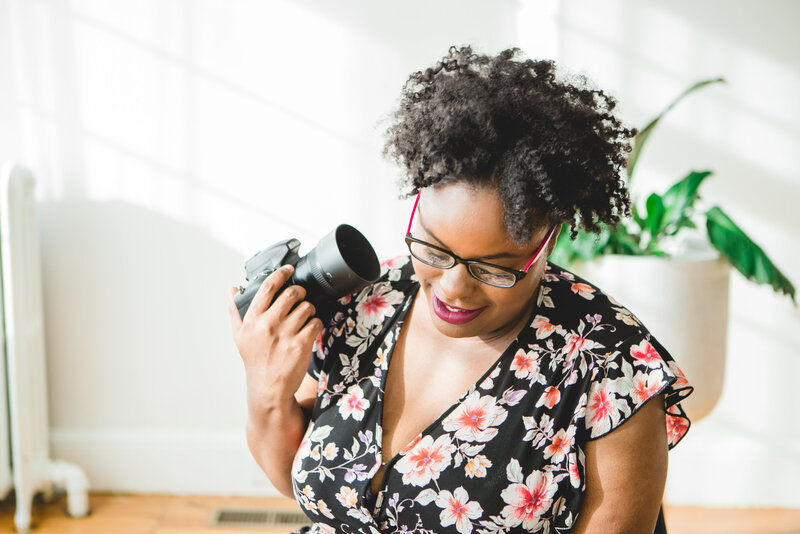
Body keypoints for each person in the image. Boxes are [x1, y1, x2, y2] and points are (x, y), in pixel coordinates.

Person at [228, 46, 692, 534]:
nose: (452, 288)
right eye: (432, 247)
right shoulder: (366, 302)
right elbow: (298, 480)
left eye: (493, 268)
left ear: (547, 241)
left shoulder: (610, 365)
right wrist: (266, 389)